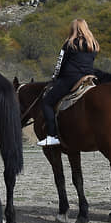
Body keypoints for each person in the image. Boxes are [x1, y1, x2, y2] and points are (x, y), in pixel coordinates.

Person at [38, 18, 99, 147]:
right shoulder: (93, 44)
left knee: (47, 102)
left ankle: (52, 135)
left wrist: (54, 78)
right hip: (89, 77)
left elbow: (60, 64)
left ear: (72, 29)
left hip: (71, 79)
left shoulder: (69, 44)